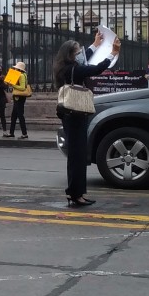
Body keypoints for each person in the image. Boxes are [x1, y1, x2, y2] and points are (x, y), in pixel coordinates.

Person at [53, 32, 121, 207]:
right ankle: (76, 194)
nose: (79, 55)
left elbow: (84, 60)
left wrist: (95, 45)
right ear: (70, 55)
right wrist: (112, 53)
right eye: (76, 53)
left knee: (76, 156)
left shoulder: (65, 68)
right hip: (75, 115)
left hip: (70, 115)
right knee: (77, 157)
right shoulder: (74, 69)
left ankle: (76, 193)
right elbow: (94, 69)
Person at [6, 61, 29, 140]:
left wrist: (13, 85)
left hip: (19, 97)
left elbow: (22, 87)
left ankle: (24, 133)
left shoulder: (21, 76)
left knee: (20, 115)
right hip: (18, 97)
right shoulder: (23, 75)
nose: (15, 69)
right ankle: (11, 132)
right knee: (14, 115)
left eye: (16, 68)